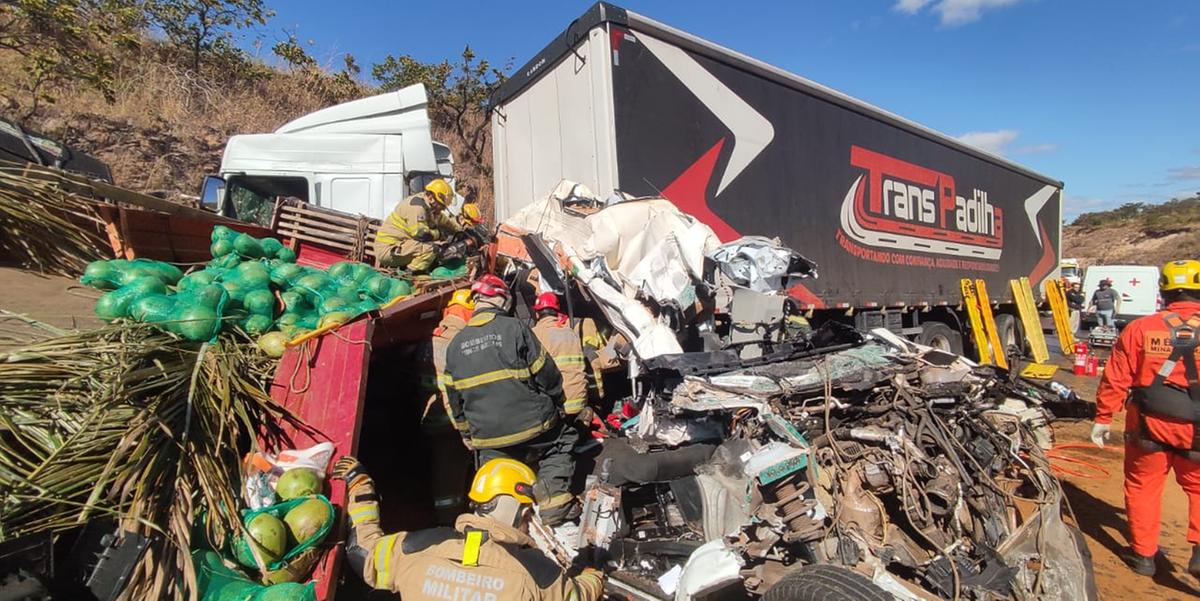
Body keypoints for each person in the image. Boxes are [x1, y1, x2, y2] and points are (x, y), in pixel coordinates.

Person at [333, 455, 605, 600]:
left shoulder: (418, 547)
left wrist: (361, 486)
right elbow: (577, 596)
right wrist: (593, 574)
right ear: (519, 512)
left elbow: (362, 551)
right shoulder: (539, 573)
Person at [442, 275, 580, 525]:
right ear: (501, 299)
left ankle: (500, 524)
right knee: (561, 442)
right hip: (534, 424)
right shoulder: (515, 328)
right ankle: (554, 504)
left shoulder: (454, 346)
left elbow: (455, 402)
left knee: (498, 476)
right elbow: (546, 373)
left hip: (488, 436)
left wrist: (466, 435)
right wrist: (557, 404)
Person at [1092, 259, 1200, 578]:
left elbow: (1115, 378)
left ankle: (1143, 556)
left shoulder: (1140, 328)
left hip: (1147, 426)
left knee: (1142, 488)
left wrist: (1103, 417)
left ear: (1164, 291)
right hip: (1196, 431)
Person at [422, 288, 476, 522]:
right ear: (468, 314)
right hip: (453, 424)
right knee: (451, 472)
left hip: (431, 419)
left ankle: (444, 512)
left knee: (440, 467)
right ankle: (450, 520)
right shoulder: (462, 343)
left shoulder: (430, 339)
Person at [374, 178, 461, 274]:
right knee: (431, 249)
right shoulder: (417, 208)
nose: (443, 209)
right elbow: (421, 235)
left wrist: (460, 231)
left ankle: (415, 271)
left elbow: (446, 222)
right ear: (431, 198)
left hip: (401, 244)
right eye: (441, 206)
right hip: (388, 248)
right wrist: (440, 234)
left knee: (432, 249)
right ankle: (408, 275)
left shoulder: (431, 208)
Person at [531, 293, 590, 422]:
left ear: (536, 314)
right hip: (580, 401)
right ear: (557, 312)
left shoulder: (534, 335)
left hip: (559, 407)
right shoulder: (570, 332)